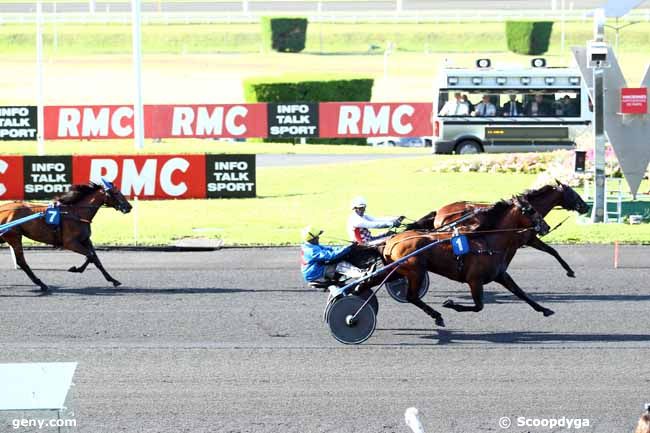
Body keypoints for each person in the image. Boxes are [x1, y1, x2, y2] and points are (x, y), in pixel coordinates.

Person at [300, 225, 365, 284]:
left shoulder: (312, 245)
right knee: (339, 264)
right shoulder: (311, 251)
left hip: (316, 269)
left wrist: (347, 247)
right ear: (312, 238)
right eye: (317, 236)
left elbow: (331, 249)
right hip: (315, 274)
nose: (318, 238)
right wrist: (347, 248)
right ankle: (361, 275)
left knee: (341, 258)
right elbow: (330, 256)